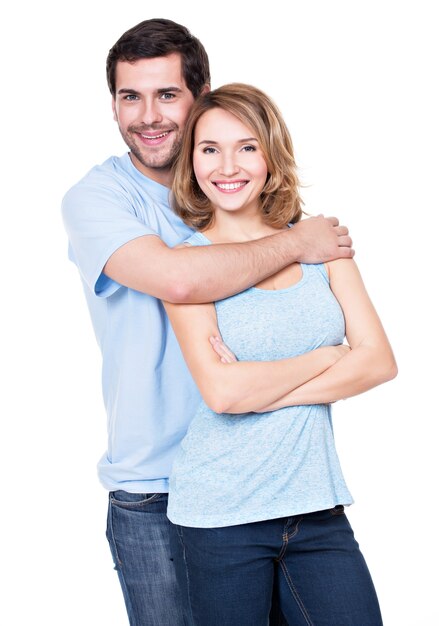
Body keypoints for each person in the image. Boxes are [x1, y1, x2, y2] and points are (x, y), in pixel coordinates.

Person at [61, 18, 355, 626]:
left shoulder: (243, 194)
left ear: (200, 99)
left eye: (167, 94)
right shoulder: (100, 199)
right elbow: (178, 279)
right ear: (112, 104)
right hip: (154, 486)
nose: (148, 115)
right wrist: (297, 244)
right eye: (129, 96)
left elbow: (368, 353)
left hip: (268, 477)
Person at [164, 83, 397, 626]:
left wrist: (257, 387)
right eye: (209, 148)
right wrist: (326, 358)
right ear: (192, 160)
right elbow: (222, 394)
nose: (227, 166)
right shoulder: (187, 267)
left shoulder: (321, 245)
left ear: (271, 155)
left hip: (317, 510)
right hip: (220, 515)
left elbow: (379, 361)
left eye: (246, 147)